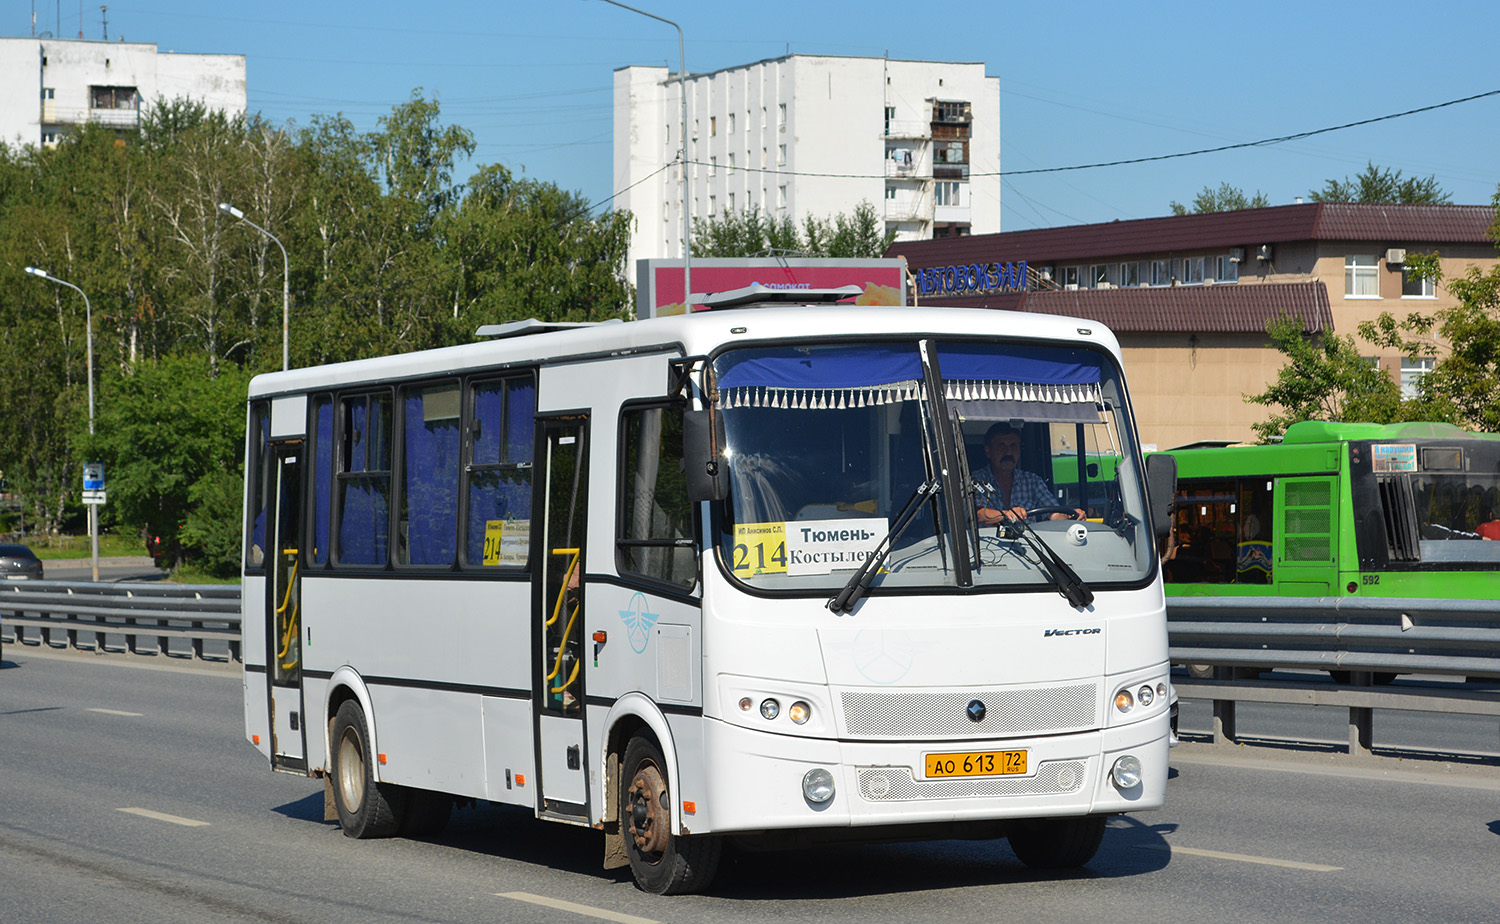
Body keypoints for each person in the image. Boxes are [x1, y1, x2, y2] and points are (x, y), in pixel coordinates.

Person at [972, 422, 1084, 525]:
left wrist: (1070, 515)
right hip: (987, 546)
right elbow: (978, 514)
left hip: (1029, 545)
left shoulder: (1032, 481)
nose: (1009, 452)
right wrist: (1006, 515)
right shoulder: (976, 481)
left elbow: (1054, 514)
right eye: (1002, 447)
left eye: (1014, 446)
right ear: (988, 451)